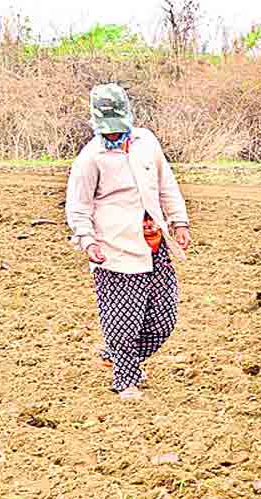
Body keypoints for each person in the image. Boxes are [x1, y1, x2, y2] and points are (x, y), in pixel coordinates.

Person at [65, 84, 191, 401]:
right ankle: (126, 378)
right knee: (123, 320)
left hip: (153, 240)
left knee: (164, 319)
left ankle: (122, 357)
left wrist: (179, 221)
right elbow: (78, 206)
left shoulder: (146, 142)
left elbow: (166, 184)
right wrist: (88, 241)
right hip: (113, 247)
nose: (112, 135)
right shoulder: (90, 158)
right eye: (106, 130)